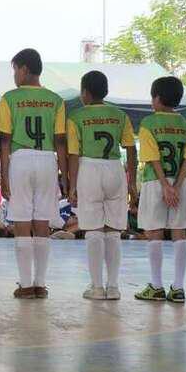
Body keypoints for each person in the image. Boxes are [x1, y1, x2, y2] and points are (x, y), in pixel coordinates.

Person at [0, 48, 68, 299]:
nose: (14, 75)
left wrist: (4, 175)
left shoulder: (9, 98)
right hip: (48, 159)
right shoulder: (56, 100)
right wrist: (65, 175)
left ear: (24, 69)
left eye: (15, 69)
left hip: (20, 160)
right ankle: (40, 284)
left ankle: (25, 284)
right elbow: (60, 141)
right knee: (42, 223)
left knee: (21, 222)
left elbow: (5, 141)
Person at [66, 71, 137, 300]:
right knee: (113, 231)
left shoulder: (76, 117)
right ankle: (113, 287)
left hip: (89, 169)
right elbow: (131, 149)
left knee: (93, 230)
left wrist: (72, 185)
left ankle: (97, 287)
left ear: (85, 92)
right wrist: (132, 182)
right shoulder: (120, 115)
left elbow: (73, 154)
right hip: (115, 168)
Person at [134, 77, 186, 303]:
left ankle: (156, 286)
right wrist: (176, 187)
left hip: (155, 183)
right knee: (179, 232)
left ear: (157, 98)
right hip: (181, 185)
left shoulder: (148, 124)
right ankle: (178, 288)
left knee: (155, 232)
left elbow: (152, 158)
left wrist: (165, 186)